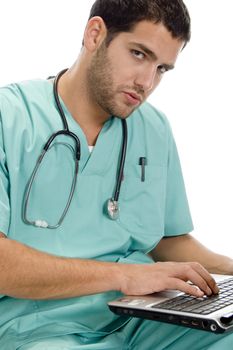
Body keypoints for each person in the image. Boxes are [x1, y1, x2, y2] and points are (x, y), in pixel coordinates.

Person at [0, 0, 233, 348]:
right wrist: (125, 276)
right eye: (139, 54)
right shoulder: (10, 117)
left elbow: (166, 240)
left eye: (162, 69)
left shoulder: (153, 127)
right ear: (95, 34)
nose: (147, 82)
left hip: (146, 317)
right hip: (42, 326)